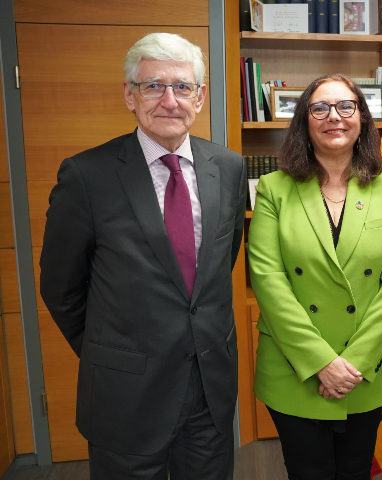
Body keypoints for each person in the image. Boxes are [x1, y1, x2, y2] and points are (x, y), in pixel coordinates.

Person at [39, 33, 247, 479]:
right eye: (153, 85)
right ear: (129, 96)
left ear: (201, 96)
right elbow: (61, 287)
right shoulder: (87, 175)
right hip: (125, 394)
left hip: (208, 391)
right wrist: (110, 352)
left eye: (182, 86)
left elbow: (219, 262)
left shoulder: (228, 167)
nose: (169, 100)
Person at [248, 73, 382, 480]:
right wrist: (322, 362)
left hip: (366, 369)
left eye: (346, 106)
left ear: (361, 118)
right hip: (294, 369)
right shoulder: (274, 188)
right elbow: (268, 278)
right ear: (304, 121)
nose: (333, 117)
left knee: (356, 470)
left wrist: (351, 363)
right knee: (307, 472)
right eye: (319, 108)